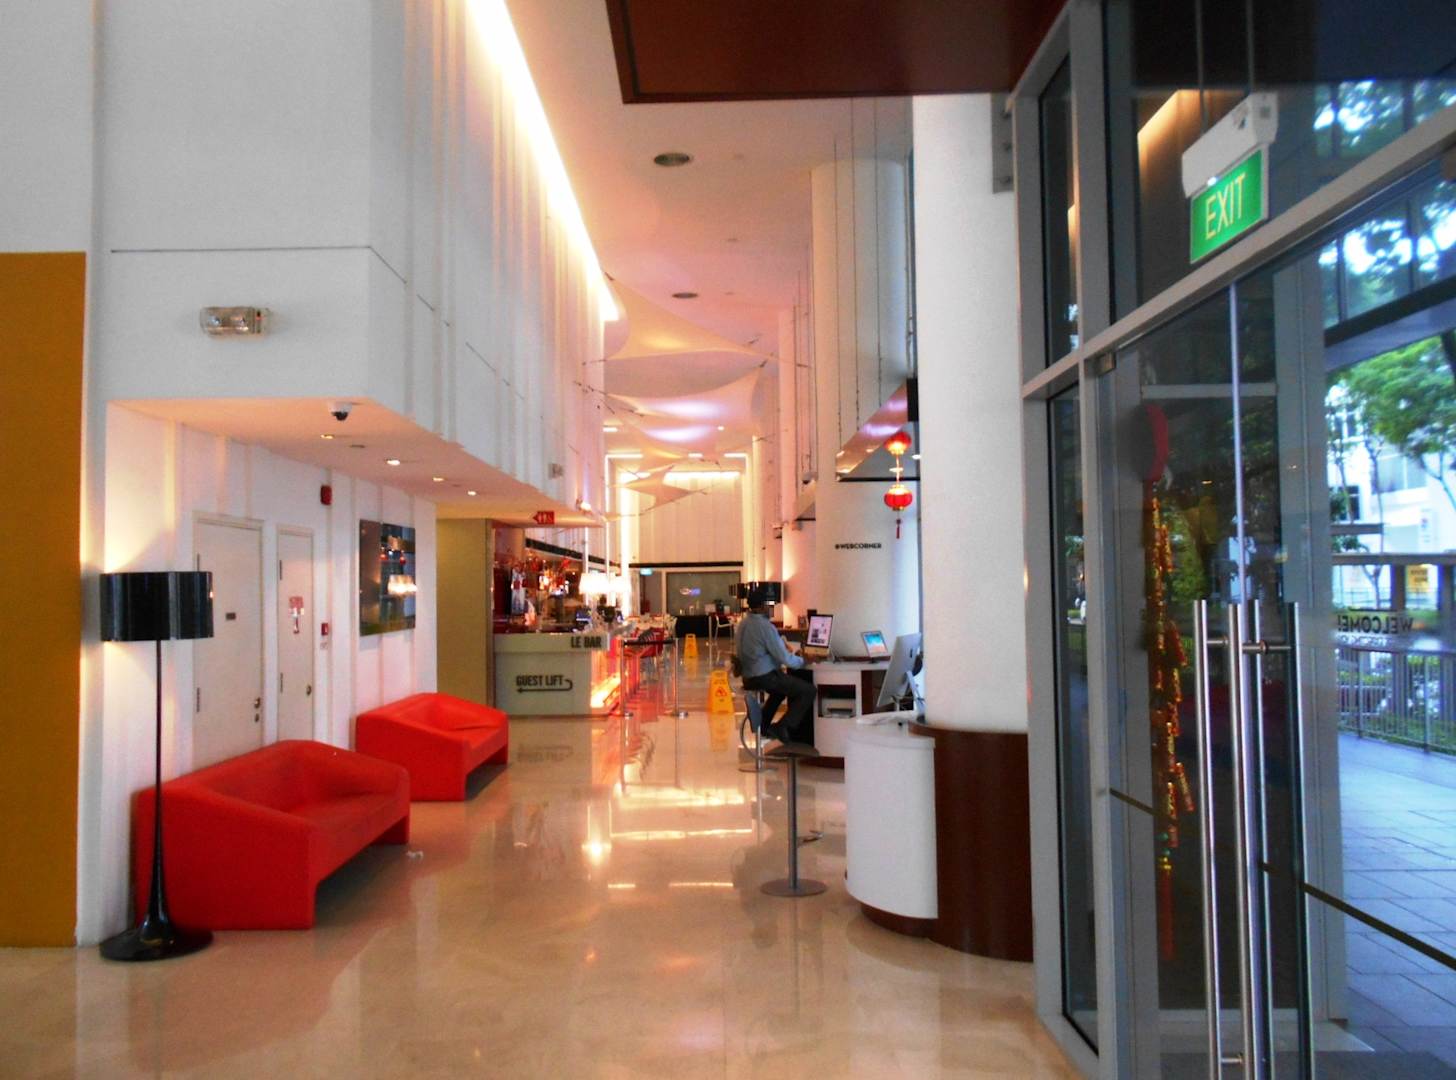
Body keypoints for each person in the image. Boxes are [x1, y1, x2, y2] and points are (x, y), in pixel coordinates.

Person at [734, 586, 815, 745]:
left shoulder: (743, 624)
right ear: (763, 606)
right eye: (770, 605)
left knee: (780, 691)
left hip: (748, 677)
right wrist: (804, 661)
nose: (772, 609)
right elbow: (784, 658)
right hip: (764, 677)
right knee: (808, 691)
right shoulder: (765, 627)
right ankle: (782, 726)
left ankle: (764, 726)